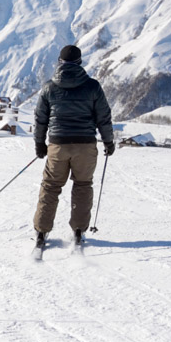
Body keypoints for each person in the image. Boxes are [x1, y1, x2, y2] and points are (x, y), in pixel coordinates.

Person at [33, 44, 114, 246]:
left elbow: (40, 119)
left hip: (58, 145)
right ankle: (78, 230)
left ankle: (42, 231)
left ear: (60, 62)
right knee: (83, 185)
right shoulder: (92, 86)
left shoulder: (49, 87)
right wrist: (108, 141)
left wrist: (39, 144)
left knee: (51, 187)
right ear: (79, 63)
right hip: (85, 145)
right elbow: (103, 117)